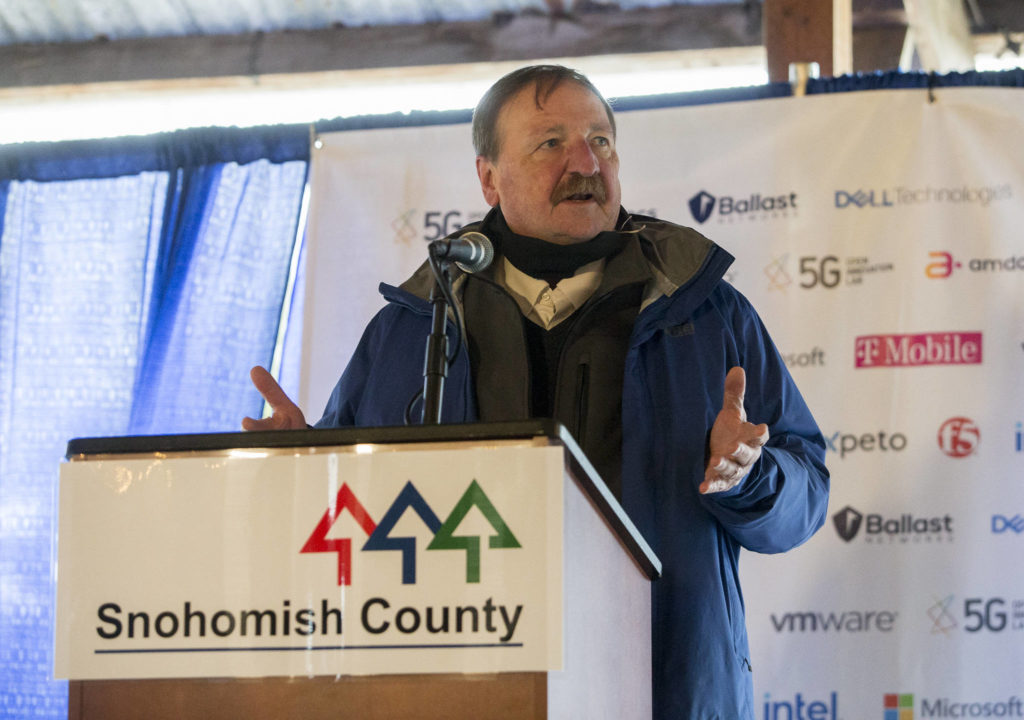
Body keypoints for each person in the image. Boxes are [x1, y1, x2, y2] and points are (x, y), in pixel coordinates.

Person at [243, 65, 830, 719]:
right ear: (489, 177)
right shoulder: (412, 328)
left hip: (662, 691)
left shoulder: (710, 314)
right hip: (465, 695)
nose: (585, 162)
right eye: (551, 142)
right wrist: (298, 473)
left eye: (600, 140)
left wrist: (751, 477)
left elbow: (804, 499)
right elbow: (351, 514)